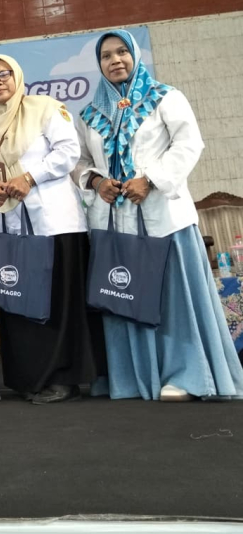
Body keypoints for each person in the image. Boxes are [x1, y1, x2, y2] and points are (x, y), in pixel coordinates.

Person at [75, 29, 243, 401]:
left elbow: (189, 144)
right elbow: (81, 162)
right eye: (106, 55)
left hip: (163, 220)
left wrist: (150, 179)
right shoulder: (90, 113)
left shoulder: (164, 97)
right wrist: (97, 182)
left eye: (122, 52)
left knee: (172, 299)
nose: (115, 60)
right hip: (114, 225)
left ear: (135, 56)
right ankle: (133, 377)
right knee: (122, 294)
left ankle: (185, 375)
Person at [0, 55, 106, 404]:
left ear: (17, 77)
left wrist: (29, 177)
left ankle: (63, 380)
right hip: (9, 230)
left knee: (57, 303)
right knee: (16, 301)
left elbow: (68, 152)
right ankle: (29, 377)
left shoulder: (45, 108)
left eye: (4, 74)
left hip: (54, 225)